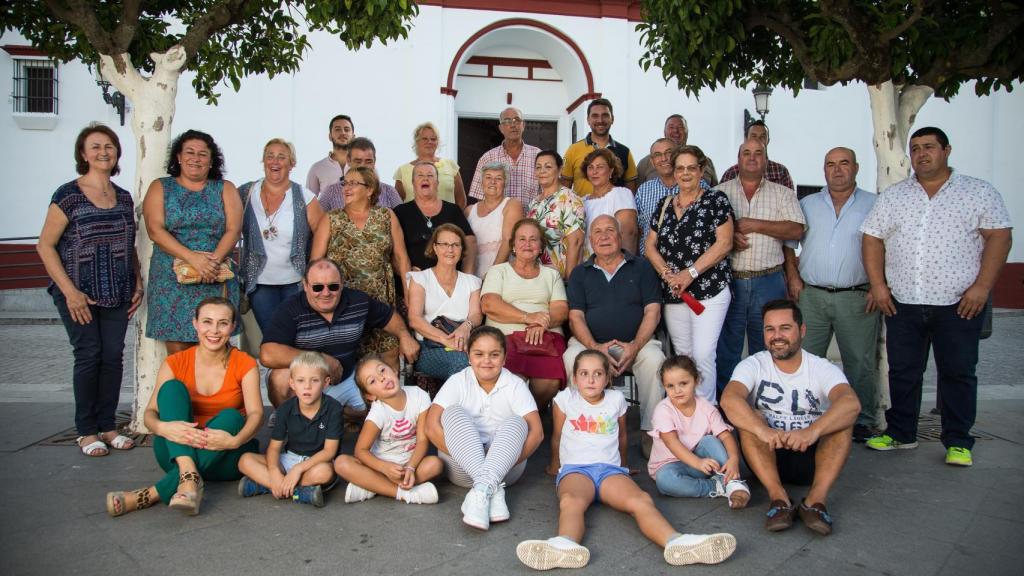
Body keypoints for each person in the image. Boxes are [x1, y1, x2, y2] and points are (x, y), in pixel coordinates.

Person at [861, 127, 1012, 466]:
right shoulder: (895, 196)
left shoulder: (978, 192)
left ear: (947, 150)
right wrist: (879, 285)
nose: (921, 154)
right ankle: (901, 433)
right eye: (915, 149)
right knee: (903, 371)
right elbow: (872, 239)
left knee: (958, 372)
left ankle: (958, 441)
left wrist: (982, 287)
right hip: (904, 301)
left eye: (929, 147)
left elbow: (1000, 237)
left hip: (958, 302)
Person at [516, 350, 737, 571]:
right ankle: (565, 544)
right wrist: (555, 466)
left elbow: (621, 436)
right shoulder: (565, 399)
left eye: (597, 373)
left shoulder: (616, 399)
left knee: (641, 500)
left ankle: (676, 541)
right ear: (575, 378)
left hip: (611, 471)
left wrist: (623, 466)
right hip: (576, 470)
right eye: (584, 373)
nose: (591, 380)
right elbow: (557, 435)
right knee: (571, 502)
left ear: (608, 378)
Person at [37, 123, 142, 457]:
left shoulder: (123, 197)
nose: (103, 152)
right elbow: (45, 245)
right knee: (88, 355)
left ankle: (108, 426)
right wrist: (69, 292)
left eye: (109, 146)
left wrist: (137, 281)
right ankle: (86, 431)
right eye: (95, 147)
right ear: (83, 154)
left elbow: (130, 244)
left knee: (112, 357)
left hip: (117, 289)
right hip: (78, 291)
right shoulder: (67, 195)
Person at [105, 297, 263, 517]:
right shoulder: (175, 362)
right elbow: (149, 414)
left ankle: (151, 494)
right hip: (177, 448)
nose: (214, 330)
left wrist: (235, 440)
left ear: (233, 327)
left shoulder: (244, 362)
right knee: (171, 389)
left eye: (223, 323)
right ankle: (188, 472)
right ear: (195, 324)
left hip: (227, 452)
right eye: (207, 322)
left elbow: (256, 414)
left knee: (232, 418)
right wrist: (162, 429)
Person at [720, 300, 860, 536]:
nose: (777, 336)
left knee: (842, 423)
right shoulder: (753, 364)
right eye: (769, 329)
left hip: (813, 457)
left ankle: (815, 502)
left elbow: (851, 403)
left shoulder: (820, 367)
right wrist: (762, 429)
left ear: (801, 330)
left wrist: (811, 431)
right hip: (767, 454)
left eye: (785, 328)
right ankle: (778, 499)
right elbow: (729, 400)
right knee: (749, 418)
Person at [783, 147, 881, 441]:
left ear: (856, 167)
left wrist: (879, 285)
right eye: (830, 165)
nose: (837, 170)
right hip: (811, 294)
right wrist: (793, 277)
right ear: (824, 169)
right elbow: (790, 245)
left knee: (859, 361)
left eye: (844, 164)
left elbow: (886, 247)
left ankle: (861, 421)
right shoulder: (808, 204)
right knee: (807, 359)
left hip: (857, 294)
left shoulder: (874, 204)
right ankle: (808, 416)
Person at [424, 327, 544, 530]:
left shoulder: (515, 384)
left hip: (507, 468)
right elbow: (430, 426)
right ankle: (490, 488)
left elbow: (537, 434)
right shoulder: (458, 380)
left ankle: (483, 488)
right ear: (469, 357)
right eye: (479, 354)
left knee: (518, 422)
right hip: (460, 468)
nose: (486, 361)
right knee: (452, 413)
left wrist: (499, 464)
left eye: (494, 355)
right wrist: (470, 459)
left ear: (504, 358)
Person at [564, 215, 665, 457]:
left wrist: (635, 345)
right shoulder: (580, 273)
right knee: (571, 358)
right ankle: (579, 428)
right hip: (590, 345)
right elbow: (575, 317)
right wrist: (594, 348)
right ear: (590, 240)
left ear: (620, 238)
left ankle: (649, 431)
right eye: (598, 232)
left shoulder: (641, 267)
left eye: (610, 231)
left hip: (636, 343)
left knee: (654, 360)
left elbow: (653, 311)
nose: (604, 236)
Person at [259, 259, 420, 410]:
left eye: (333, 286)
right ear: (305, 286)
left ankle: (341, 414)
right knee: (280, 378)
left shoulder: (358, 301)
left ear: (342, 284)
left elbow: (388, 317)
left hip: (347, 378)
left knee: (381, 401)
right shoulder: (290, 308)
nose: (326, 292)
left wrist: (404, 335)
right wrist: (320, 360)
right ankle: (289, 421)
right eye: (317, 287)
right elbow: (267, 354)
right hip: (308, 383)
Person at [715, 138, 805, 399]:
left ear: (766, 159)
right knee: (727, 348)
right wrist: (729, 238)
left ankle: (766, 403)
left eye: (758, 153)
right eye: (746, 153)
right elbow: (706, 235)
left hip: (769, 280)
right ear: (738, 159)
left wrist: (754, 224)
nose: (752, 158)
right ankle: (728, 407)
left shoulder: (782, 193)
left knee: (767, 346)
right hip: (729, 280)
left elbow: (796, 229)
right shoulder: (719, 192)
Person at [644, 146, 734, 403]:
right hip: (675, 292)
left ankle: (705, 414)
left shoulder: (715, 201)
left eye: (691, 168)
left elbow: (724, 243)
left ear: (701, 170)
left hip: (709, 290)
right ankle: (685, 411)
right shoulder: (664, 205)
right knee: (683, 356)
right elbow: (650, 245)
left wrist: (689, 273)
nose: (685, 173)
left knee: (704, 354)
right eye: (680, 168)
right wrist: (668, 274)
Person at [143, 129, 243, 354]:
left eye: (202, 154)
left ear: (211, 161)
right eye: (189, 152)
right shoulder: (160, 187)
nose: (195, 158)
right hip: (172, 280)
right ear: (178, 157)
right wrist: (193, 259)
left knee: (215, 349)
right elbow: (155, 230)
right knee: (179, 353)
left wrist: (212, 263)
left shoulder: (225, 188)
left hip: (214, 276)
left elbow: (234, 229)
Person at [311, 166, 412, 370]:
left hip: (381, 300)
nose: (346, 188)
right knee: (350, 358)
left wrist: (410, 299)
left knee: (389, 354)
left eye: (353, 183)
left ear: (370, 189)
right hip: (343, 302)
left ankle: (387, 402)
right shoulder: (331, 218)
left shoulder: (387, 216)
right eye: (345, 182)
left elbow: (402, 259)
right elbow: (315, 263)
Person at [481, 218, 570, 409]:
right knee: (513, 381)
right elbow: (489, 304)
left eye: (533, 239)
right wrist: (528, 318)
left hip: (545, 335)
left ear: (541, 246)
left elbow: (561, 310)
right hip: (505, 336)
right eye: (521, 239)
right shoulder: (498, 271)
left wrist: (541, 323)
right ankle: (515, 420)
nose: (527, 244)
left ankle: (530, 416)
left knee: (549, 382)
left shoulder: (551, 275)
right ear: (513, 245)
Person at [238, 138, 323, 331]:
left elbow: (322, 233)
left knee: (295, 336)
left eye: (281, 157)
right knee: (271, 336)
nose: (274, 161)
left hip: (295, 282)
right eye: (270, 156)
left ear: (291, 163)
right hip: (259, 283)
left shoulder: (304, 196)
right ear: (263, 161)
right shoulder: (245, 193)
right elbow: (228, 226)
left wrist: (313, 269)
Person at [236, 351, 341, 507]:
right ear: (291, 383)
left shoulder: (334, 408)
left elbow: (329, 452)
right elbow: (273, 448)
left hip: (316, 462)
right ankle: (298, 492)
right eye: (300, 380)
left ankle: (266, 486)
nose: (307, 386)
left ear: (325, 383)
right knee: (245, 460)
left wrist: (298, 469)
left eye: (314, 381)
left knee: (325, 472)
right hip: (289, 458)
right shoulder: (285, 409)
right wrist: (274, 471)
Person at [335, 354, 444, 504]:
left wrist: (411, 468)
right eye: (372, 381)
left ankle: (372, 486)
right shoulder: (377, 413)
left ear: (394, 370)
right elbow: (360, 451)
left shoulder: (420, 395)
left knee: (435, 464)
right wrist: (384, 468)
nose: (382, 378)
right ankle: (405, 494)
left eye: (382, 370)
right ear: (370, 395)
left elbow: (422, 439)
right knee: (341, 463)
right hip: (379, 466)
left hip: (409, 465)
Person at [648, 356, 749, 507]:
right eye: (670, 386)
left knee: (710, 441)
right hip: (671, 466)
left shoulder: (706, 407)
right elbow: (671, 442)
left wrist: (734, 460)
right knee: (665, 481)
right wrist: (697, 462)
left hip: (702, 464)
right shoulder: (663, 410)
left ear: (696, 381)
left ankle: (732, 481)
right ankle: (717, 486)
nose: (677, 390)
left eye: (683, 383)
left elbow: (726, 436)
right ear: (664, 386)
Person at [405, 224, 483, 380]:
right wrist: (444, 339)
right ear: (434, 247)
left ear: (462, 250)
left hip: (464, 342)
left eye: (455, 245)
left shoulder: (472, 282)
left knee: (483, 361)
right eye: (444, 244)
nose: (450, 249)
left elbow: (476, 315)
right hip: (430, 346)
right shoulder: (420, 278)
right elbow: (414, 319)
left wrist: (464, 328)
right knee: (463, 363)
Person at [394, 161, 477, 274]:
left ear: (437, 183)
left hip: (450, 280)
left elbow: (470, 243)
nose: (425, 178)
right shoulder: (400, 212)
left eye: (430, 175)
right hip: (414, 280)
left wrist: (468, 276)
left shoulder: (453, 210)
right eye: (420, 175)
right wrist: (407, 273)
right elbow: (393, 252)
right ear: (413, 183)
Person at [525, 150, 585, 280]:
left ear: (559, 170)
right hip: (537, 275)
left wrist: (570, 281)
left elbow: (576, 241)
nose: (542, 171)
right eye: (538, 167)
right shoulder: (534, 202)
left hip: (559, 276)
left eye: (548, 166)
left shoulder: (568, 198)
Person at [561, 98, 638, 195]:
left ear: (612, 119)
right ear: (588, 120)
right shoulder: (573, 150)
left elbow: (631, 190)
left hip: (616, 210)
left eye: (605, 115)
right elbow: (564, 188)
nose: (600, 120)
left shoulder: (624, 152)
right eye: (595, 116)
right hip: (582, 209)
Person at [468, 107, 541, 205]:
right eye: (507, 121)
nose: (513, 125)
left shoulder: (537, 156)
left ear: (523, 125)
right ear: (501, 128)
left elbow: (548, 191)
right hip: (498, 219)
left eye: (517, 120)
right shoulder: (488, 158)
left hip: (530, 218)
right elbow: (480, 196)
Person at [466, 161, 523, 278]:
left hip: (502, 274)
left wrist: (492, 275)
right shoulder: (469, 211)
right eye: (488, 177)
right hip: (472, 277)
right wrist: (468, 279)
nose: (492, 182)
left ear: (505, 183)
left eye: (498, 178)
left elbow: (509, 240)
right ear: (482, 182)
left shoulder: (512, 205)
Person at [394, 122, 466, 208]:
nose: (429, 142)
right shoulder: (403, 170)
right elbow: (397, 204)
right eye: (425, 139)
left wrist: (455, 220)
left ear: (438, 142)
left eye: (433, 139)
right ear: (417, 141)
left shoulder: (450, 165)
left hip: (447, 220)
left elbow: (461, 200)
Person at [317, 137, 402, 211]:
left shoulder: (389, 192)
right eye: (358, 161)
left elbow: (403, 224)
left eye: (368, 161)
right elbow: (316, 224)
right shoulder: (331, 192)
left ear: (374, 161)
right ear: (348, 161)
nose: (363, 166)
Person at [580, 148, 638, 254]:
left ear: (611, 171)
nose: (594, 172)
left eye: (600, 167)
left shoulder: (621, 194)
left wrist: (625, 266)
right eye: (590, 167)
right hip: (588, 265)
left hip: (614, 264)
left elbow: (628, 233)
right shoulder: (581, 201)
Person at [636, 114, 718, 186]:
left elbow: (715, 188)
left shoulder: (704, 160)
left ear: (687, 132)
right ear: (664, 132)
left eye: (680, 127)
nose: (676, 131)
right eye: (671, 127)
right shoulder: (646, 163)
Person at [720, 120, 794, 190]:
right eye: (754, 136)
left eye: (763, 136)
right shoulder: (732, 173)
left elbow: (791, 199)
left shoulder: (781, 171)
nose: (758, 139)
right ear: (746, 139)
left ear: (768, 140)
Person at [306, 114, 354, 194]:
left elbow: (376, 198)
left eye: (347, 129)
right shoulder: (317, 168)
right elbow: (308, 202)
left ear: (353, 137)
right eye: (337, 129)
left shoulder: (365, 166)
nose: (342, 133)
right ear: (330, 136)